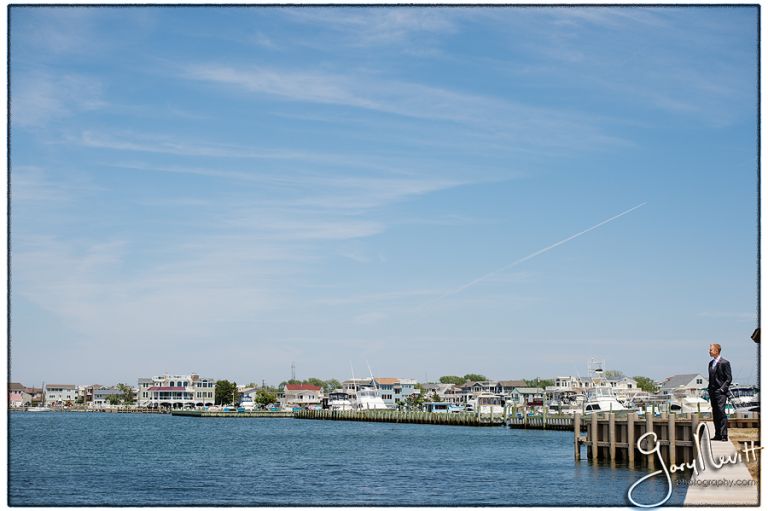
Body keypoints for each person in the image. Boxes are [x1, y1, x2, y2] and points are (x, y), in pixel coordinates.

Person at [708, 343, 732, 441]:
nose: (709, 351)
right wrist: (709, 389)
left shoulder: (725, 363)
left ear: (716, 351)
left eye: (711, 350)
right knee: (715, 412)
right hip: (712, 391)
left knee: (721, 412)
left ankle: (724, 435)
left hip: (721, 392)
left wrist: (722, 389)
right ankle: (717, 434)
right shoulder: (711, 363)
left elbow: (729, 378)